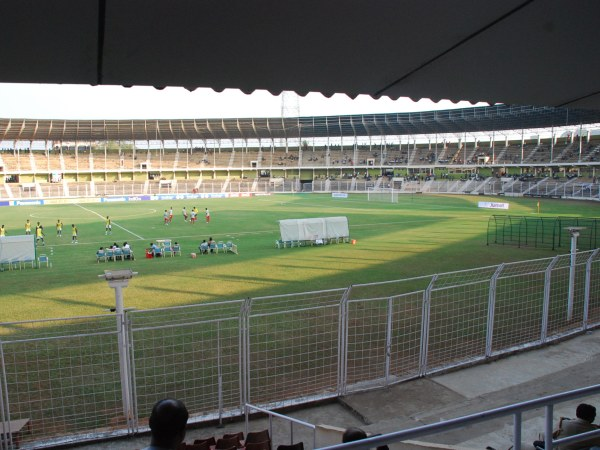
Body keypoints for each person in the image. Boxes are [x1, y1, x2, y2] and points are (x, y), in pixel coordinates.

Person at [535, 404, 600, 450]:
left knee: (538, 442)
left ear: (577, 414)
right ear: (591, 418)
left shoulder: (563, 423)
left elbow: (547, 435)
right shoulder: (594, 432)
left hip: (557, 447)